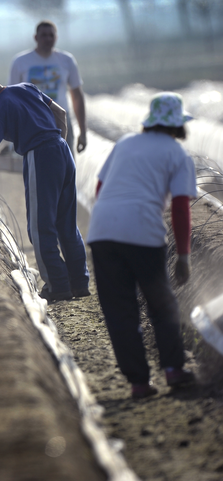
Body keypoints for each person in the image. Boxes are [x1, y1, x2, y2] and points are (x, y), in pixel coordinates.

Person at [0, 61, 89, 302]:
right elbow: (61, 113)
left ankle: (58, 285)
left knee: (39, 227)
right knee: (67, 224)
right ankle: (79, 283)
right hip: (62, 151)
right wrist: (59, 144)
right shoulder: (26, 88)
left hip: (41, 156)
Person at [87, 92, 196, 399]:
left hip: (102, 231)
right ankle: (173, 370)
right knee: (161, 304)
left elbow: (99, 189)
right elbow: (180, 207)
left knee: (120, 310)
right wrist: (184, 255)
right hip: (143, 233)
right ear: (178, 125)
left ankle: (138, 382)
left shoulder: (125, 144)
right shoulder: (177, 154)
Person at [9, 20, 87, 155]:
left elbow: (77, 96)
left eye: (51, 35)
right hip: (32, 121)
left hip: (61, 120)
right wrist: (12, 134)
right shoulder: (20, 62)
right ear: (36, 37)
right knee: (37, 167)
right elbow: (12, 99)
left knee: (66, 164)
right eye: (44, 35)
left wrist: (83, 131)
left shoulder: (67, 60)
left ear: (56, 37)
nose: (48, 39)